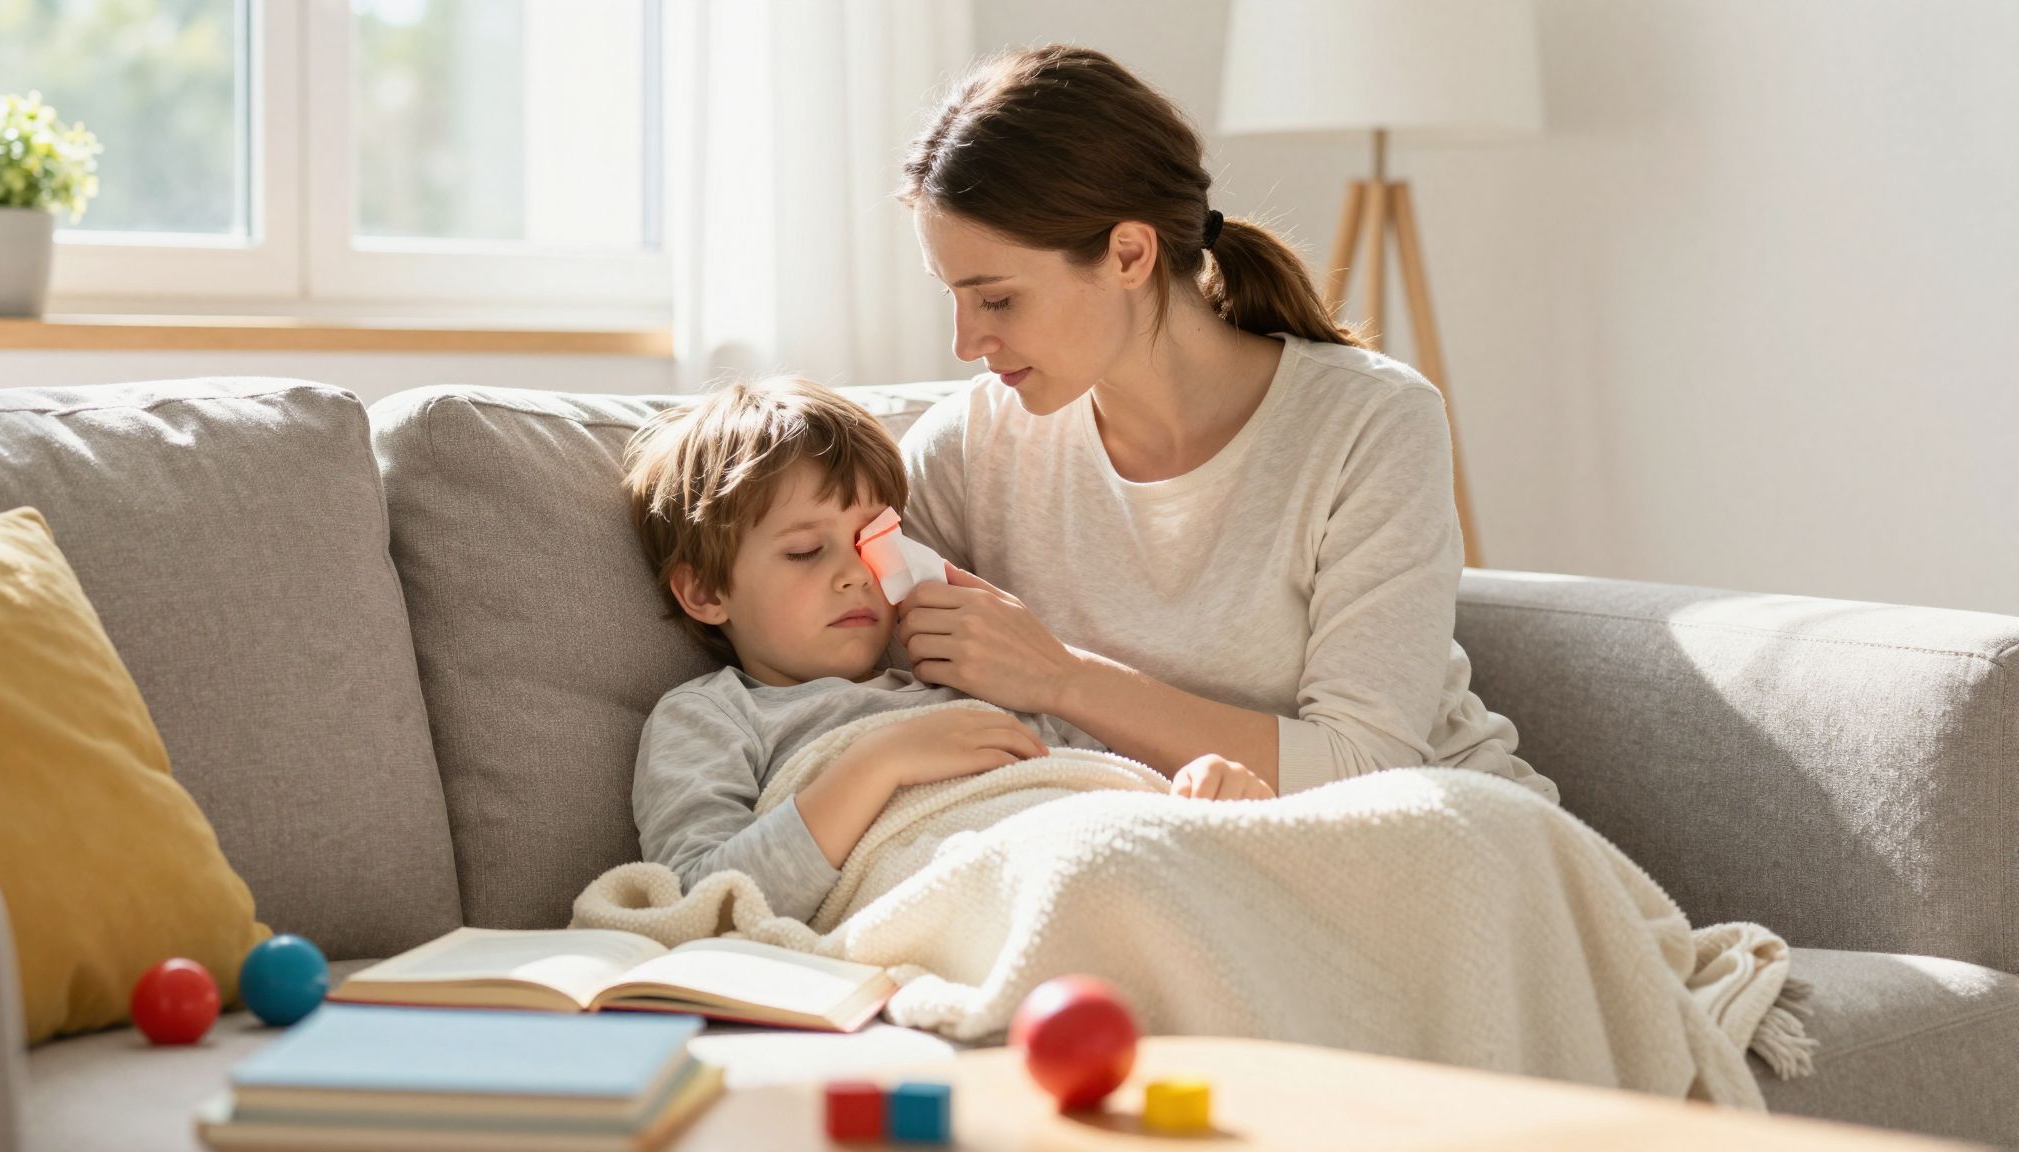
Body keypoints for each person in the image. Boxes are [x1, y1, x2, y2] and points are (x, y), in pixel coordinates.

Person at [892, 45, 1558, 805]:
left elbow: (1366, 767)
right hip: (1170, 851)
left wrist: (1061, 677)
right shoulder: (970, 448)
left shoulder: (1368, 424)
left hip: (1428, 830)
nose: (966, 343)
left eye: (997, 299)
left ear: (1129, 253)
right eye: (952, 296)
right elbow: (823, 663)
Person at [619, 375, 1262, 925]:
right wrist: (879, 762)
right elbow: (705, 907)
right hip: (986, 892)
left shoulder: (962, 676)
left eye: (874, 539)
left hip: (1100, 850)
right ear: (704, 592)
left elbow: (1092, 777)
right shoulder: (712, 716)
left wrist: (1201, 797)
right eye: (806, 552)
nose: (859, 574)